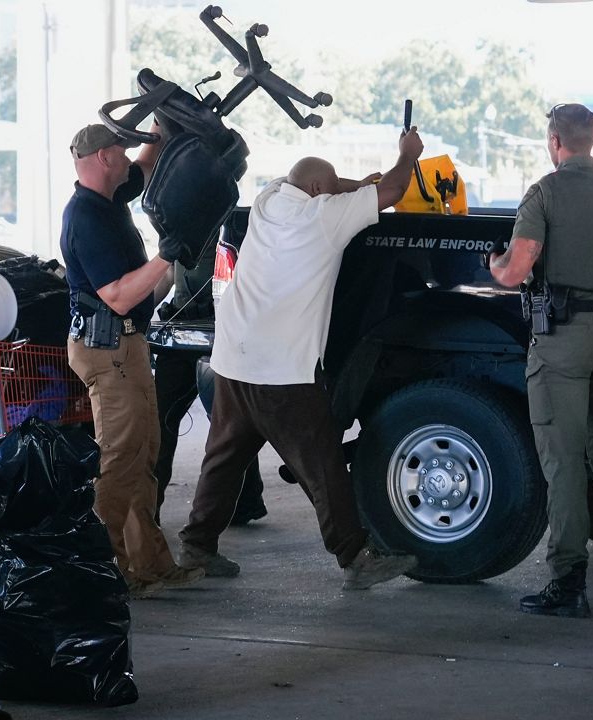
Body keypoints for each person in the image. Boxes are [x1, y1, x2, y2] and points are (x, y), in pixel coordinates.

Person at [177, 128, 424, 590]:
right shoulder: (323, 219)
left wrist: (352, 186)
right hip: (282, 369)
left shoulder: (271, 199)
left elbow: (326, 185)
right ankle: (355, 556)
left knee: (224, 457)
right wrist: (406, 155)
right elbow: (392, 191)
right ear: (318, 194)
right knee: (323, 462)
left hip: (233, 356)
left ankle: (197, 544)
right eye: (330, 191)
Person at [489, 102, 593, 616]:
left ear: (556, 141)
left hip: (564, 338)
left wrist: (493, 263)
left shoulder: (546, 192)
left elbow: (517, 271)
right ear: (592, 140)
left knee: (563, 461)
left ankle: (569, 583)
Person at [61, 122, 204, 598]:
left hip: (127, 347)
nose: (128, 159)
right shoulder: (86, 217)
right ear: (103, 158)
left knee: (143, 456)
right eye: (119, 151)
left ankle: (149, 565)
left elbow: (145, 164)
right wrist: (168, 255)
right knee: (120, 460)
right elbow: (119, 297)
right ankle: (105, 571)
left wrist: (164, 127)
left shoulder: (109, 199)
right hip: (108, 350)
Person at [154, 238, 266, 542]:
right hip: (180, 328)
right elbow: (166, 275)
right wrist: (137, 311)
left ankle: (244, 502)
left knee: (231, 425)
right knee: (161, 419)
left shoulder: (232, 230)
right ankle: (149, 509)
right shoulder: (178, 228)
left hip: (222, 330)